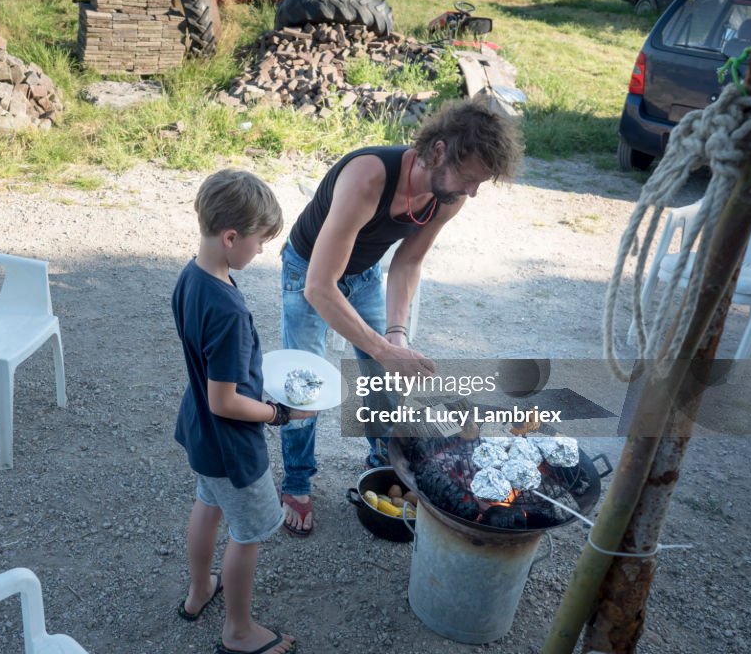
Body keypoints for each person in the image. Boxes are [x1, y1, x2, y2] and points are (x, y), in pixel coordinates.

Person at [278, 96, 524, 536]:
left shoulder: (448, 198)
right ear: (438, 151)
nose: (472, 192)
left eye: (480, 183)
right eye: (470, 178)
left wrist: (396, 337)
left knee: (383, 376)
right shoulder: (368, 177)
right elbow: (319, 286)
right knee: (305, 383)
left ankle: (380, 461)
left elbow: (408, 264)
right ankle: (297, 481)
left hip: (366, 275)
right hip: (306, 271)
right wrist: (383, 349)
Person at [172, 169, 313, 654]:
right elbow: (225, 400)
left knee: (207, 506)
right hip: (232, 445)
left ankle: (198, 592)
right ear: (230, 237)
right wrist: (279, 415)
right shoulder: (227, 309)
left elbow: (210, 379)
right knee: (249, 532)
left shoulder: (192, 275)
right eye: (258, 242)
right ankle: (238, 632)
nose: (260, 251)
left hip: (201, 435)